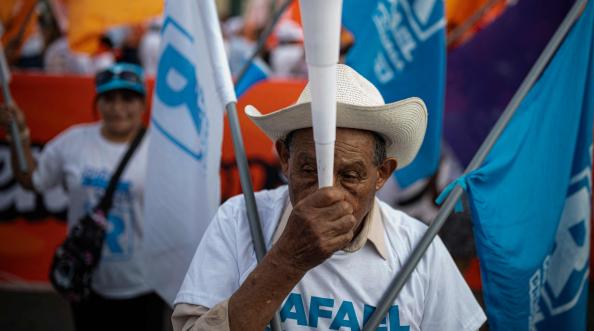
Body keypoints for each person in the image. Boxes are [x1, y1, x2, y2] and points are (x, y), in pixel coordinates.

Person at [172, 64, 486, 330]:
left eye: (350, 175)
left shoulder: (420, 250)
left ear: (382, 174)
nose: (328, 192)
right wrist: (288, 260)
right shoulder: (240, 218)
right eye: (310, 169)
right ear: (285, 158)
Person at [0, 62, 165, 331]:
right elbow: (31, 180)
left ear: (144, 104)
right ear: (97, 103)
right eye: (108, 99)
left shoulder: (163, 148)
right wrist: (19, 133)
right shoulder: (73, 142)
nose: (118, 108)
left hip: (145, 286)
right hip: (88, 283)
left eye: (128, 99)